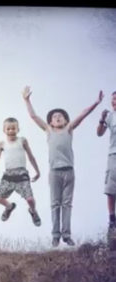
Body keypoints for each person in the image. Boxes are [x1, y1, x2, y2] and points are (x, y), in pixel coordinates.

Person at [22, 85, 103, 247]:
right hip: (54, 172)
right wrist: (26, 100)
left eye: (61, 116)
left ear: (66, 120)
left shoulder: (69, 128)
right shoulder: (48, 130)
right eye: (54, 117)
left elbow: (83, 114)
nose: (58, 118)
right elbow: (33, 116)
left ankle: (66, 235)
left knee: (67, 204)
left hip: (68, 171)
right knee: (55, 203)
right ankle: (55, 235)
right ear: (50, 122)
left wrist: (95, 103)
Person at [0, 117, 41, 227]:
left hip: (22, 174)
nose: (11, 131)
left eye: (13, 128)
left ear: (18, 129)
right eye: (8, 129)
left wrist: (37, 171)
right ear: (4, 130)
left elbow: (31, 157)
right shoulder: (2, 144)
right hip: (8, 174)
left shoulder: (22, 140)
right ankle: (9, 206)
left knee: (30, 199)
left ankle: (33, 211)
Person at [97, 91, 116, 237]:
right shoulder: (110, 116)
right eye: (113, 100)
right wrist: (102, 119)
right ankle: (112, 219)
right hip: (113, 156)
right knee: (110, 189)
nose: (114, 102)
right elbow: (99, 133)